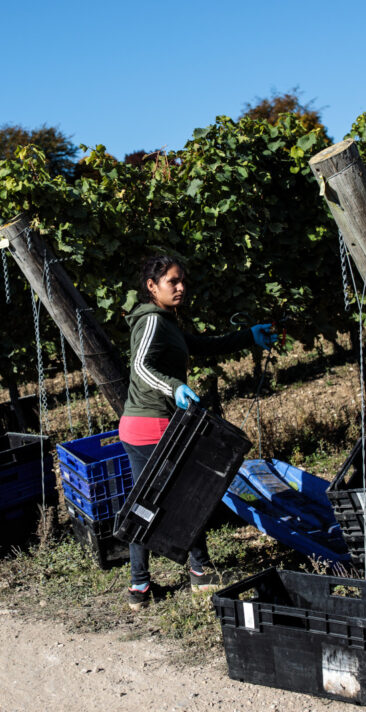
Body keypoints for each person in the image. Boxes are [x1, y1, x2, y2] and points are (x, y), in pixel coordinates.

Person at [119, 255, 278, 610]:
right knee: (185, 497)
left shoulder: (167, 322)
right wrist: (174, 387)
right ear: (151, 286)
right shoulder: (150, 322)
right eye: (172, 281)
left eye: (182, 281)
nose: (180, 287)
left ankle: (142, 587)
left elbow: (202, 346)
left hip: (149, 424)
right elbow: (140, 367)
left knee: (149, 504)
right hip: (151, 424)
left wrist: (246, 337)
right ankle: (197, 574)